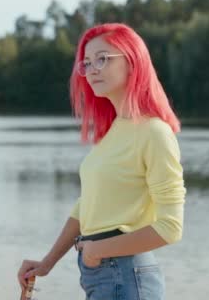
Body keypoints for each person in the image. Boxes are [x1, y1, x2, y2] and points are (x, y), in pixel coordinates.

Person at [17, 22, 186, 300]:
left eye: (102, 59)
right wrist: (48, 262)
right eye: (86, 62)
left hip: (125, 275)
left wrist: (97, 250)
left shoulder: (154, 132)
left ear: (132, 62)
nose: (92, 69)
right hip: (101, 275)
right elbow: (87, 207)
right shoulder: (113, 133)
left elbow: (170, 228)